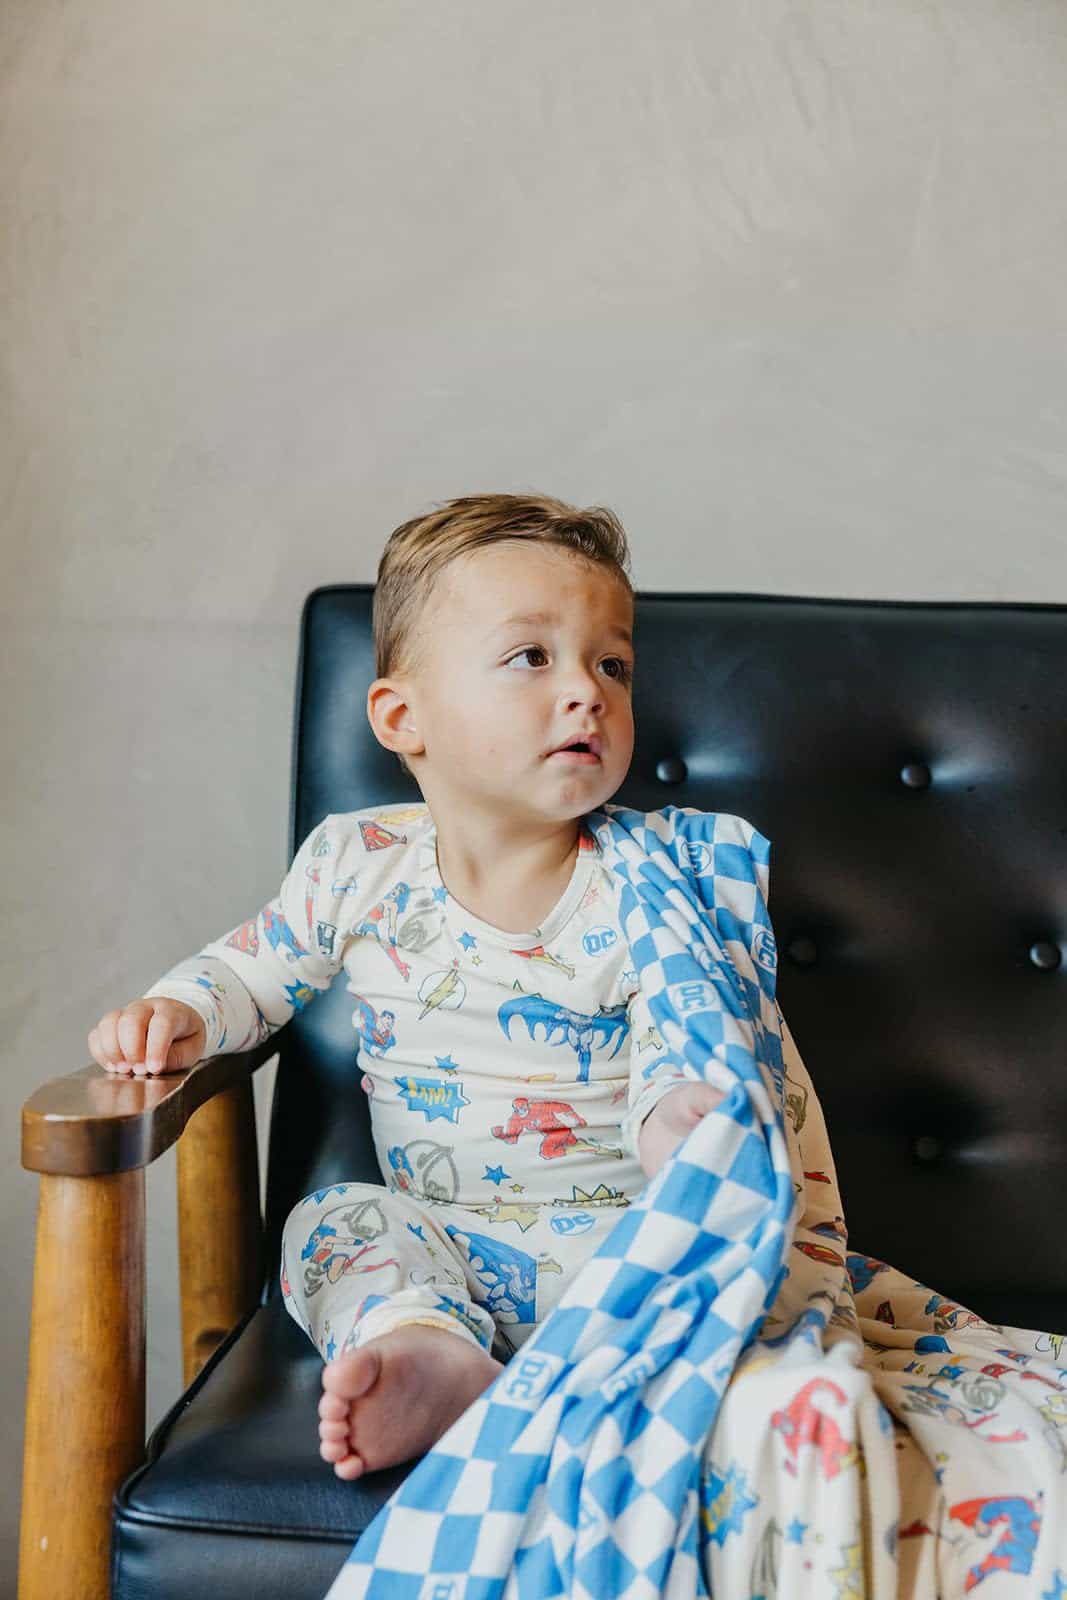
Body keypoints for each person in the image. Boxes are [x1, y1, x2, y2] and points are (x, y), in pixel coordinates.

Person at [88, 491, 750, 1483]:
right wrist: (180, 1011)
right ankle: (426, 1352)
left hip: (618, 1250)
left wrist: (676, 1121)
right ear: (404, 718)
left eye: (611, 664)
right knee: (328, 1221)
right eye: (531, 656)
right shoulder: (358, 861)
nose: (586, 691)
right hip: (443, 1250)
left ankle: (615, 1373)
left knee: (716, 1254)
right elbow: (253, 969)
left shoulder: (650, 879)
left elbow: (684, 1026)